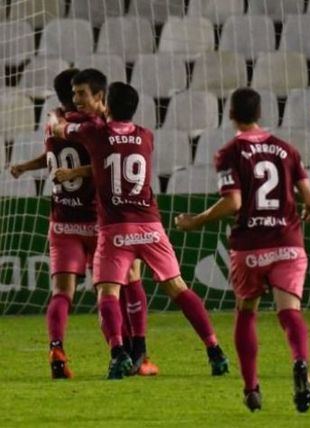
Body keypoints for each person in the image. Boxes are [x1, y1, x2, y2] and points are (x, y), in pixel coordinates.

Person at [49, 75, 229, 379]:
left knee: (107, 292)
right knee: (178, 288)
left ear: (106, 105)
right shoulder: (146, 135)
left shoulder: (96, 133)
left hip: (115, 228)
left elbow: (60, 129)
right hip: (150, 226)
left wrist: (60, 119)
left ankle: (119, 353)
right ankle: (215, 350)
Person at [175, 88, 310, 413]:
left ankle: (251, 386)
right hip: (287, 242)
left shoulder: (229, 152)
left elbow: (234, 202)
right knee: (289, 313)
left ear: (230, 115)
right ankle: (300, 363)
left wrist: (197, 220)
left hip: (250, 247)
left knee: (246, 312)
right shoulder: (287, 150)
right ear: (260, 113)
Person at [9, 68, 157, 378]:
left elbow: (53, 156)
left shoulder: (53, 122)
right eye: (77, 92)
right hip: (98, 221)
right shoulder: (94, 125)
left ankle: (57, 349)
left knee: (62, 292)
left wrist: (24, 166)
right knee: (123, 286)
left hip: (62, 220)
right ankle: (131, 355)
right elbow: (105, 163)